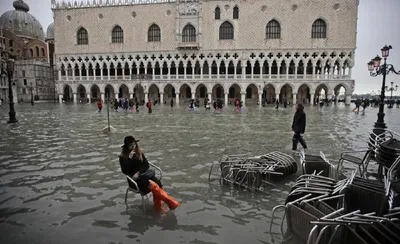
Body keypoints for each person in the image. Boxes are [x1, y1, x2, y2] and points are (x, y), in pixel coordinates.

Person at [119, 136, 180, 211]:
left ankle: (159, 206)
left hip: (144, 175)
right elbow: (125, 171)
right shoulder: (123, 157)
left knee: (158, 184)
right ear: (126, 147)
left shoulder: (139, 152)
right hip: (134, 180)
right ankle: (168, 204)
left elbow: (146, 165)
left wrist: (139, 172)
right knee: (153, 185)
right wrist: (129, 158)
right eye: (131, 145)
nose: (133, 147)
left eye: (134, 144)